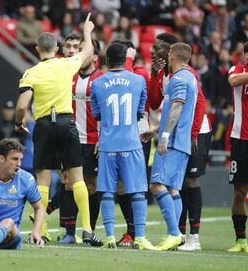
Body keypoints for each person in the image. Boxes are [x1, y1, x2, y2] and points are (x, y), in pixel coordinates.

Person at [14, 13, 102, 246]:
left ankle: (40, 231)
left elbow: (23, 105)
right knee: (77, 178)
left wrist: (18, 121)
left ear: (36, 48)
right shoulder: (66, 64)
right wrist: (87, 31)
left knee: (42, 181)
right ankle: (87, 230)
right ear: (57, 48)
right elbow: (88, 52)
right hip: (66, 123)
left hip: (44, 124)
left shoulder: (31, 73)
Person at [145, 33, 211, 251]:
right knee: (174, 187)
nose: (153, 52)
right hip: (177, 135)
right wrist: (157, 130)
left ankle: (179, 234)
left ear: (171, 52)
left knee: (158, 184)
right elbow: (158, 104)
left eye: (158, 48)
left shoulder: (182, 77)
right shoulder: (176, 76)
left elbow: (186, 106)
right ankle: (179, 235)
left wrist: (172, 135)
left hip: (183, 136)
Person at [90, 42, 157, 250]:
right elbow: (140, 111)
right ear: (127, 58)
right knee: (137, 191)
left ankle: (109, 237)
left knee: (107, 192)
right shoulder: (138, 80)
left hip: (108, 145)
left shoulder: (98, 83)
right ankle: (140, 237)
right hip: (131, 143)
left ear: (107, 60)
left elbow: (96, 114)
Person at [57, 33, 103, 244]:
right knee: (68, 184)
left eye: (86, 50)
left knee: (91, 186)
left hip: (93, 141)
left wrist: (103, 137)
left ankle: (88, 231)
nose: (80, 53)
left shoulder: (101, 79)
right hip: (70, 138)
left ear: (95, 56)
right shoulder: (67, 75)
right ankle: (68, 233)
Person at [227, 38, 248, 253]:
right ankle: (241, 240)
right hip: (240, 140)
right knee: (240, 192)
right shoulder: (237, 69)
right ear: (247, 55)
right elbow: (233, 81)